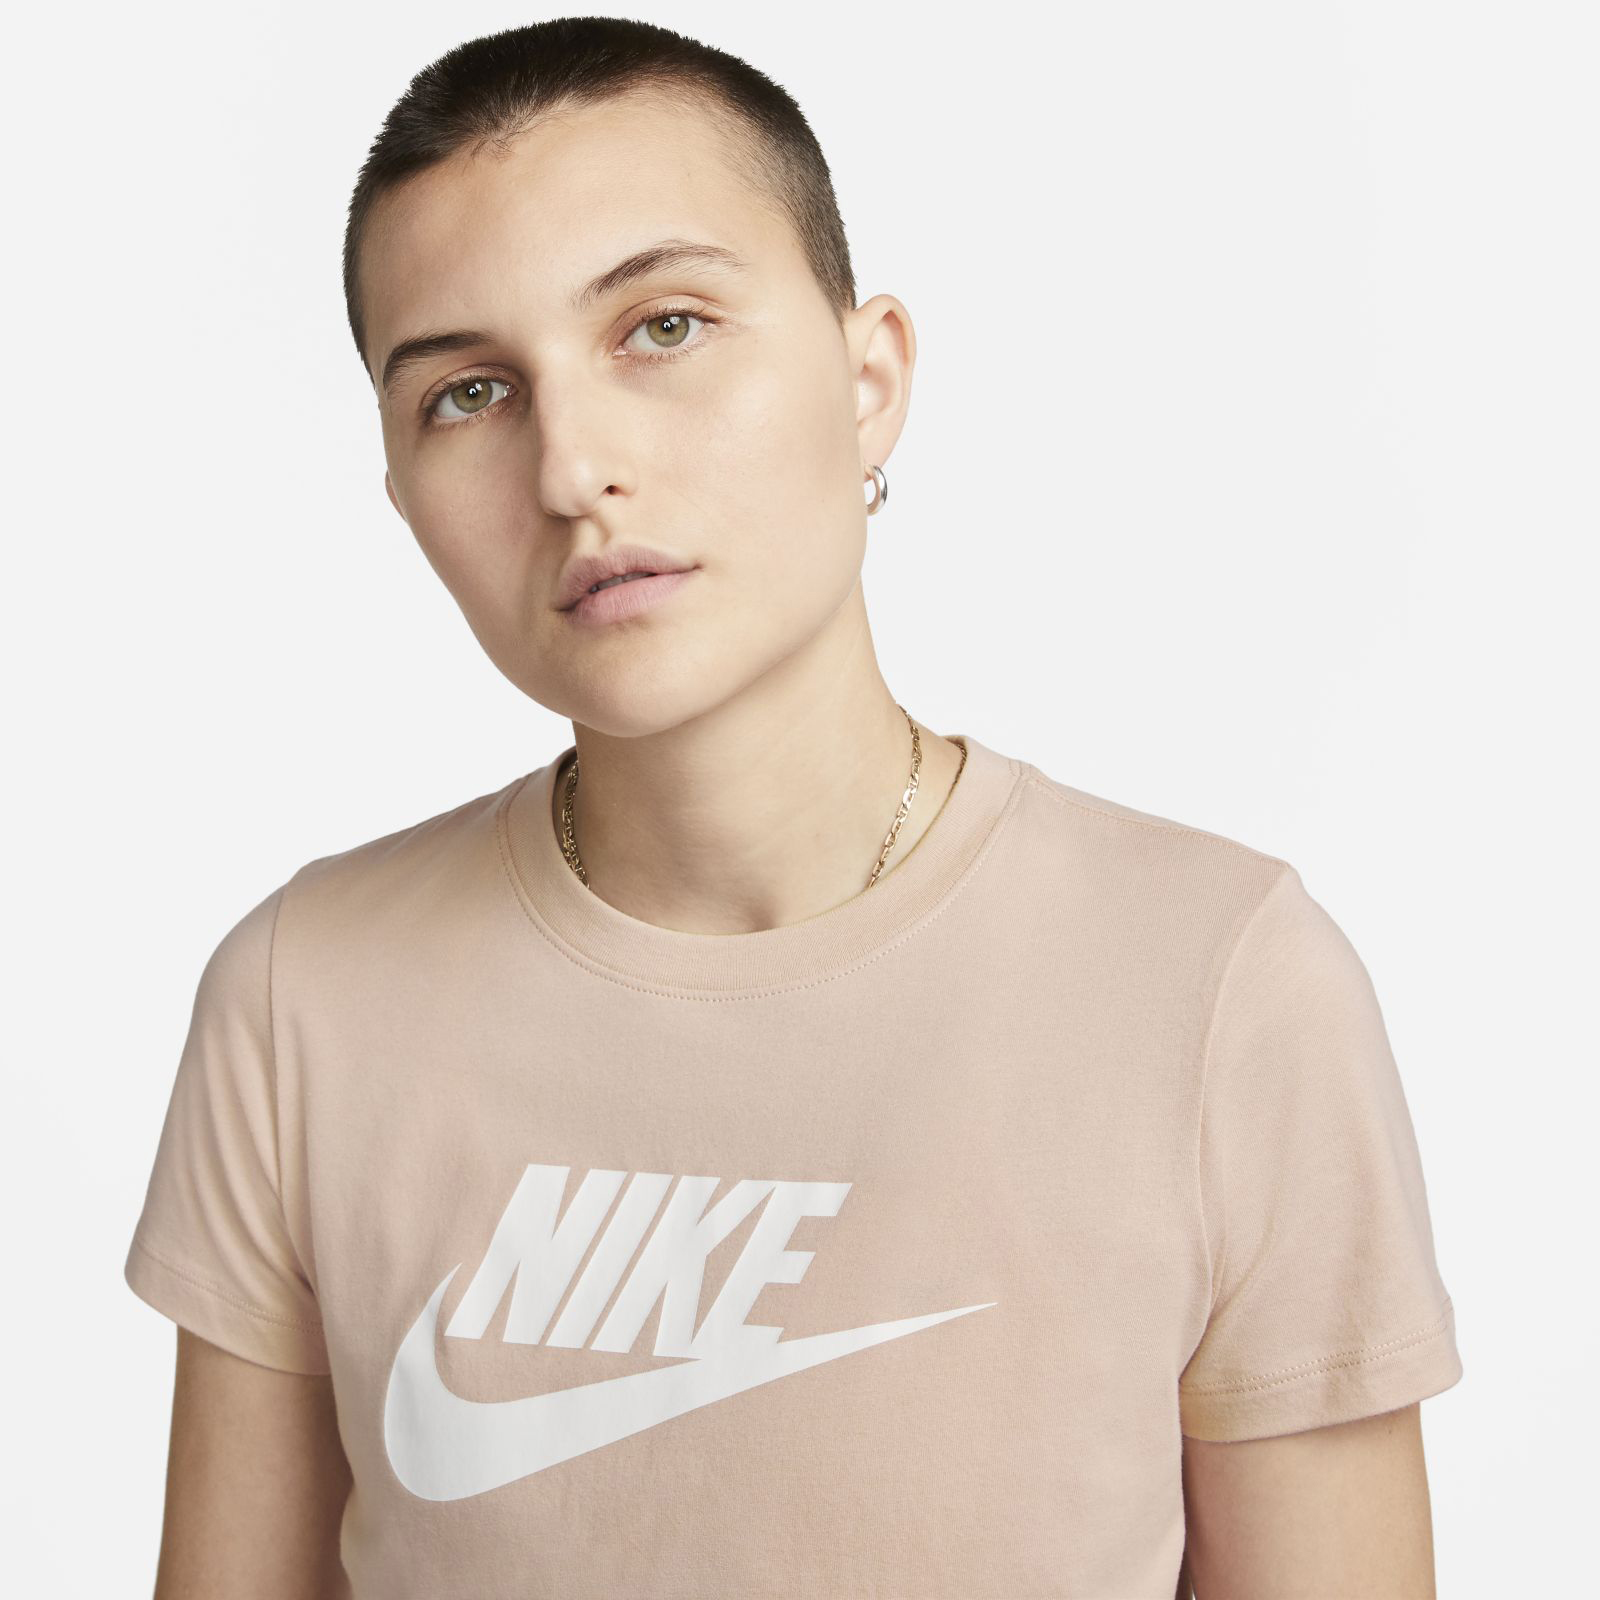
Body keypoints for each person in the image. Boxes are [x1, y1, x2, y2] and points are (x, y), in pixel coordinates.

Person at [122, 16, 1462, 1598]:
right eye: (469, 394)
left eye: (664, 326)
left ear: (869, 377)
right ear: (401, 490)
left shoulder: (1220, 984)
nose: (573, 468)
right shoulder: (307, 999)